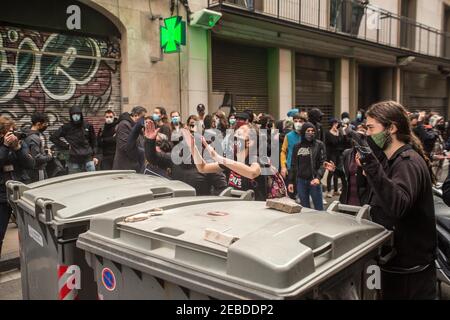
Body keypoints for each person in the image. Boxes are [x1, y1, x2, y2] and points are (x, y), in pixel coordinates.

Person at [356, 101, 437, 300]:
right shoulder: (388, 160)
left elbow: (397, 206)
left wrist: (372, 167)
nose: (367, 134)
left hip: (410, 274)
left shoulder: (407, 163)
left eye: (371, 128)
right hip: (390, 266)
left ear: (391, 128)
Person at [185, 123, 269, 201]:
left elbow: (252, 173)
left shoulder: (256, 160)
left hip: (254, 212)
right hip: (235, 208)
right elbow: (202, 168)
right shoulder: (231, 160)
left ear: (249, 142)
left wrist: (219, 158)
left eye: (239, 134)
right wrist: (192, 147)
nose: (233, 137)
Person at [1, 116, 35, 257]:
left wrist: (18, 148)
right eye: (8, 132)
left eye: (13, 131)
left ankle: (27, 263)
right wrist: (4, 146)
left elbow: (30, 164)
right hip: (2, 196)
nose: (12, 135)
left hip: (20, 193)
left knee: (28, 231)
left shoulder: (19, 143)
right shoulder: (3, 145)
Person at [288, 123, 327, 210]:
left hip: (314, 181)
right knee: (305, 209)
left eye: (313, 131)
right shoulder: (297, 146)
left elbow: (323, 163)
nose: (310, 133)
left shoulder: (319, 145)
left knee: (319, 209)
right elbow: (293, 164)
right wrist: (291, 181)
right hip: (301, 181)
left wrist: (318, 177)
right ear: (303, 132)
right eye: (308, 131)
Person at [50, 106, 97, 174]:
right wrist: (66, 145)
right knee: (75, 181)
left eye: (77, 114)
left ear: (81, 115)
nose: (76, 116)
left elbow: (94, 140)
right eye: (73, 114)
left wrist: (95, 155)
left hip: (88, 158)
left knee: (92, 179)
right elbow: (53, 137)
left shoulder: (87, 125)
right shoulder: (67, 127)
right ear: (71, 115)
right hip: (74, 159)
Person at [112, 106, 147, 171]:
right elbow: (124, 147)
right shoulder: (124, 125)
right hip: (125, 167)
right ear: (136, 115)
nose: (144, 120)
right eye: (143, 117)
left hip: (134, 166)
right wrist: (142, 152)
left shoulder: (136, 126)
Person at [24, 113, 52, 183]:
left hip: (30, 170)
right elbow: (36, 158)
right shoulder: (34, 138)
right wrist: (49, 156)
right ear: (38, 124)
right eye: (45, 124)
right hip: (37, 171)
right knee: (40, 189)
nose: (46, 126)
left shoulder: (26, 133)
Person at [324, 118, 348, 198]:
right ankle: (329, 190)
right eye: (335, 123)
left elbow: (344, 142)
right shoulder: (327, 133)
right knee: (331, 172)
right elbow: (333, 143)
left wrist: (342, 132)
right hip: (331, 154)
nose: (336, 125)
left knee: (337, 171)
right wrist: (336, 133)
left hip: (339, 154)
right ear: (332, 124)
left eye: (337, 123)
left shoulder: (338, 132)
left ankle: (336, 190)